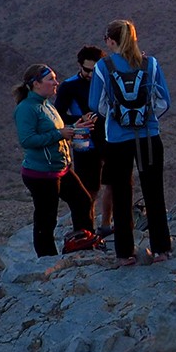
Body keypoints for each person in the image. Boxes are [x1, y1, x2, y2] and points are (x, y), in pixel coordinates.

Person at [91, 18, 173, 266]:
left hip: (117, 140)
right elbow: (164, 101)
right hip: (149, 137)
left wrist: (118, 118)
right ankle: (161, 249)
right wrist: (146, 119)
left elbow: (96, 104)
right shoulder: (150, 64)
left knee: (122, 193)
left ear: (111, 41)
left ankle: (125, 253)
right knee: (154, 192)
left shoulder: (103, 67)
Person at [13, 63, 96, 257]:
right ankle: (47, 259)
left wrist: (75, 127)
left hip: (60, 168)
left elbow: (55, 130)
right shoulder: (27, 108)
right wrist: (59, 134)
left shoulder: (47, 104)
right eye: (50, 79)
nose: (56, 82)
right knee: (46, 217)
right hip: (41, 173)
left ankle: (84, 244)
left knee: (82, 201)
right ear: (36, 83)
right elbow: (27, 140)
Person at [54, 44, 114, 237]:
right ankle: (86, 230)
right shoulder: (69, 86)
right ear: (80, 65)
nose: (90, 74)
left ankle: (106, 225)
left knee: (113, 182)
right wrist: (79, 120)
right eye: (87, 70)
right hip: (84, 140)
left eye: (94, 70)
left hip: (109, 137)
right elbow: (59, 116)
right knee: (89, 189)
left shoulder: (106, 81)